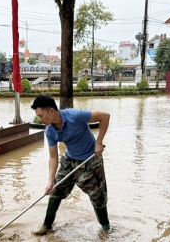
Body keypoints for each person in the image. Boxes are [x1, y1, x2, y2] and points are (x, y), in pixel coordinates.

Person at [30, 95, 111, 235]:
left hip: (90, 160)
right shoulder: (49, 131)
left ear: (51, 111)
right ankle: (46, 226)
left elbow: (105, 116)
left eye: (41, 116)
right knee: (55, 191)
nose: (40, 120)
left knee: (98, 198)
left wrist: (99, 142)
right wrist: (50, 181)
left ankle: (106, 227)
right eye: (38, 117)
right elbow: (53, 157)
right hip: (69, 161)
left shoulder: (75, 115)